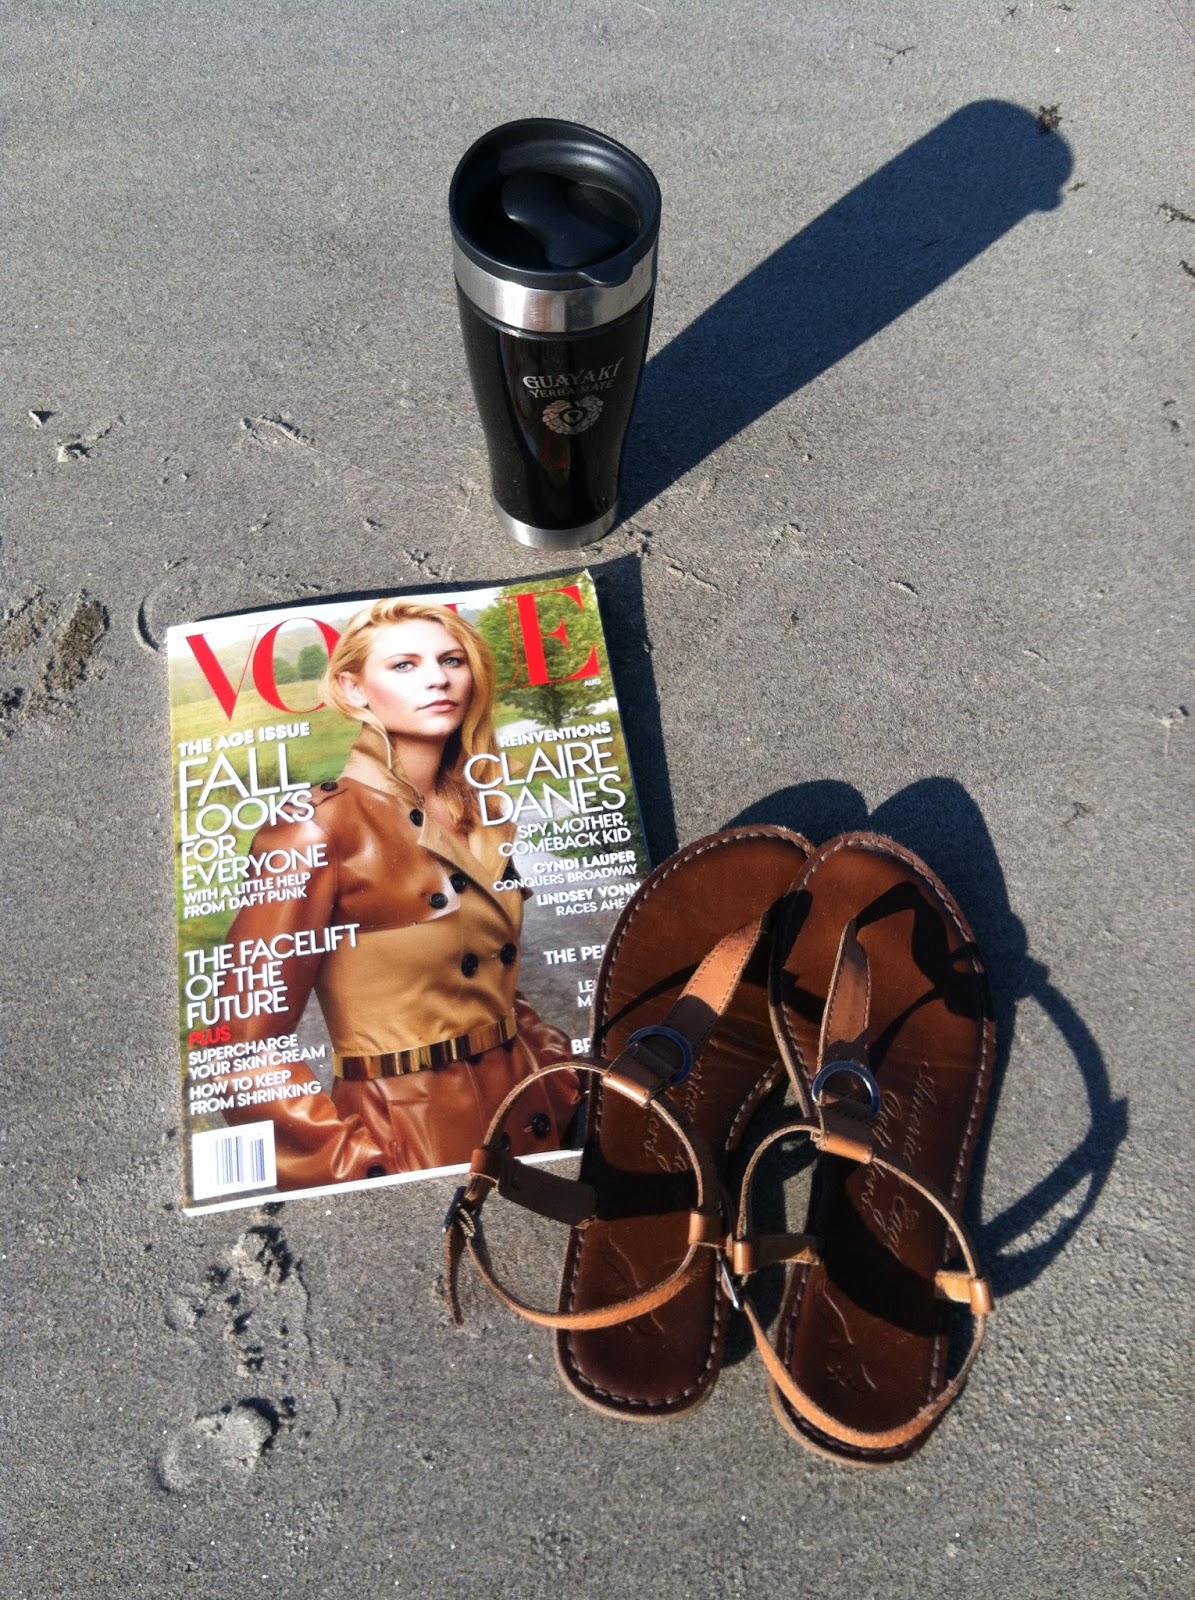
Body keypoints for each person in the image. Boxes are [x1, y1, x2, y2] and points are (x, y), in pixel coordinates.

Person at [214, 598, 580, 1190]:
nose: (438, 678)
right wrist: (364, 1168)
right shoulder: (316, 829)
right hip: (412, 1140)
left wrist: (558, 1071)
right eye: (404, 665)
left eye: (452, 660)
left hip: (532, 1109)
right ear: (352, 688)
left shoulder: (481, 809)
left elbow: (485, 978)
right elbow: (241, 1046)